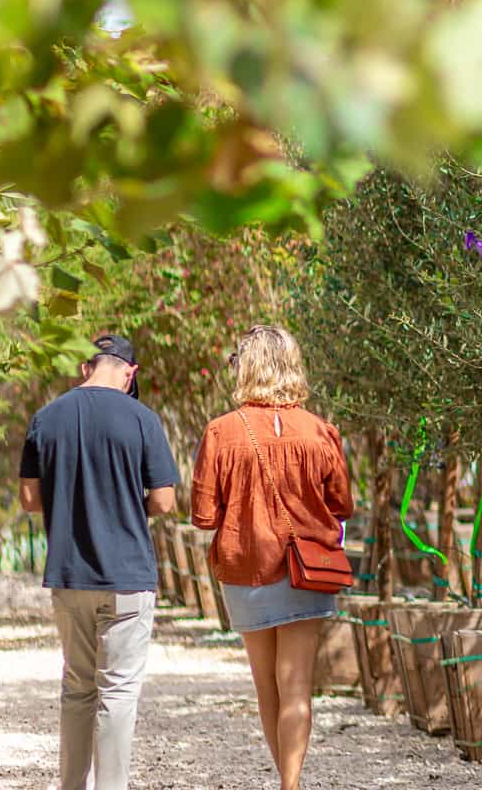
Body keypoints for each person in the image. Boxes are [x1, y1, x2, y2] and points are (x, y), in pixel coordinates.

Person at [192, 324, 352, 790]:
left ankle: (287, 780)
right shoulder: (320, 431)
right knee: (297, 685)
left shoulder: (221, 432)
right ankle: (291, 784)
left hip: (246, 569)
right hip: (307, 569)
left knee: (267, 686)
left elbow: (204, 515)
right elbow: (341, 504)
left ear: (246, 369)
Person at [19, 333, 179, 790]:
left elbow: (30, 499)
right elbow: (166, 502)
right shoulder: (143, 419)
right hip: (127, 576)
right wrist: (125, 503)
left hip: (69, 576)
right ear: (130, 373)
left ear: (85, 368)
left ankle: (71, 785)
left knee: (77, 688)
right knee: (119, 692)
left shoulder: (46, 418)